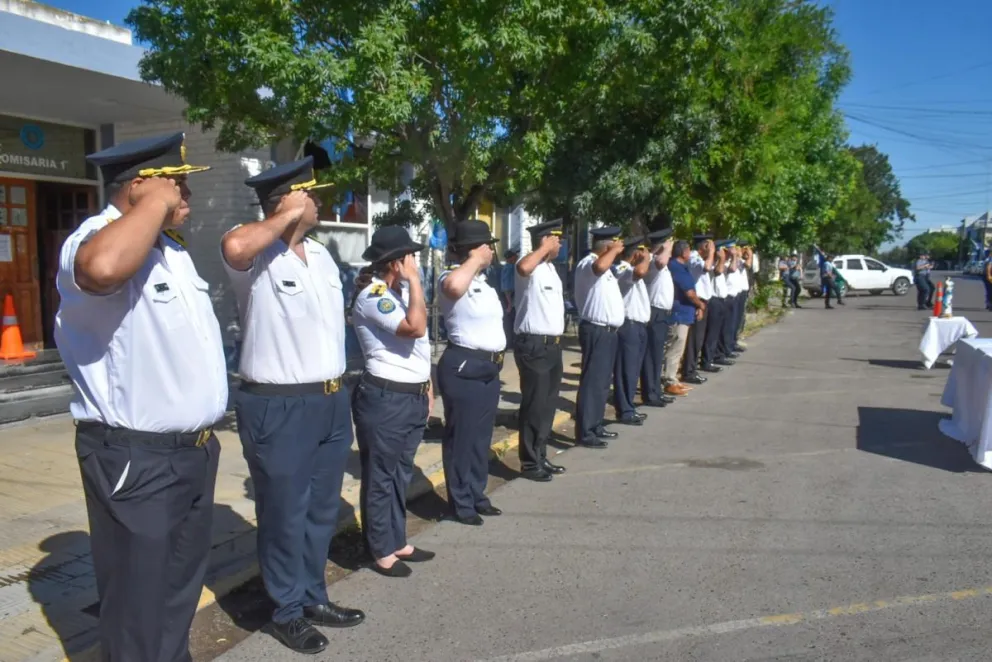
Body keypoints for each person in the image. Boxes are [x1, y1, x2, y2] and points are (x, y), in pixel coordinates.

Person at [55, 132, 226, 661]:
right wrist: (154, 199)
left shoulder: (171, 254)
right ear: (143, 188)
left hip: (191, 454)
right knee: (136, 611)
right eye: (179, 187)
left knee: (175, 599)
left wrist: (155, 202)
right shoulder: (95, 238)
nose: (186, 200)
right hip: (137, 459)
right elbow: (100, 270)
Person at [222, 157, 364, 654]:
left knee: (320, 511)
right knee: (283, 513)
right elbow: (236, 246)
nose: (319, 201)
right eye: (310, 194)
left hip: (328, 400)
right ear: (285, 201)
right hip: (277, 406)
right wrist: (284, 217)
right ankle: (284, 611)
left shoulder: (322, 257)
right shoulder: (253, 252)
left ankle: (312, 595)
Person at [350, 226, 435, 578]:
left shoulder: (398, 293)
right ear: (396, 263)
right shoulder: (375, 296)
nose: (415, 262)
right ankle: (381, 548)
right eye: (410, 258)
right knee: (382, 475)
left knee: (401, 473)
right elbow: (413, 328)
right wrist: (415, 281)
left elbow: (419, 347)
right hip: (386, 398)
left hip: (410, 395)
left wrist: (427, 387)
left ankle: (396, 539)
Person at [436, 220, 506, 526]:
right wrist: (475, 259)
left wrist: (478, 263)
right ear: (473, 249)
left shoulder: (482, 282)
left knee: (480, 438)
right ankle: (461, 501)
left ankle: (477, 492)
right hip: (463, 366)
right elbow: (453, 287)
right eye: (486, 245)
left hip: (489, 367)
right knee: (462, 438)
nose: (491, 250)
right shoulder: (449, 277)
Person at [513, 219, 567, 482]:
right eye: (557, 239)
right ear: (547, 240)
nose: (561, 244)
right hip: (534, 345)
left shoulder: (550, 269)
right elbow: (523, 267)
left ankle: (540, 455)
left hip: (552, 345)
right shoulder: (529, 265)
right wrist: (543, 248)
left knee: (547, 406)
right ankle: (530, 463)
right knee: (534, 406)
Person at [574, 227, 626, 447]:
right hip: (596, 329)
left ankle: (595, 424)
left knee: (603, 382)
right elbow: (599, 266)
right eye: (614, 246)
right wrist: (613, 251)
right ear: (607, 247)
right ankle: (585, 431)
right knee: (592, 382)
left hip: (608, 331)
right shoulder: (589, 263)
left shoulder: (606, 268)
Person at [612, 236, 651, 426]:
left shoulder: (628, 270)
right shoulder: (623, 270)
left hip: (638, 325)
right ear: (635, 254)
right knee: (626, 370)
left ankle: (629, 407)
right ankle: (625, 410)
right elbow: (641, 271)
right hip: (629, 325)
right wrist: (647, 259)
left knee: (633, 369)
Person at [663, 240, 706, 397]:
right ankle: (669, 380)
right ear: (683, 252)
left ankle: (673, 378)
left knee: (678, 347)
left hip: (684, 313)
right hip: (678, 314)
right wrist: (700, 305)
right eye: (688, 250)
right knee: (675, 346)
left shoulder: (681, 266)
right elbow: (689, 293)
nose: (690, 253)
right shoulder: (676, 267)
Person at [641, 229, 677, 408]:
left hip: (661, 313)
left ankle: (655, 391)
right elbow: (662, 260)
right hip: (655, 312)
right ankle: (651, 394)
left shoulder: (657, 263)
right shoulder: (656, 263)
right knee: (652, 356)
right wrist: (667, 247)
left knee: (657, 355)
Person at [681, 235, 715, 386]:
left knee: (698, 338)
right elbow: (707, 268)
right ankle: (688, 371)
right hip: (697, 301)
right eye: (709, 246)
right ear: (704, 247)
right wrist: (712, 252)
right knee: (694, 339)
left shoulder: (698, 259)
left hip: (703, 301)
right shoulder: (694, 258)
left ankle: (692, 369)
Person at [701, 243, 732, 371]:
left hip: (721, 299)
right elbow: (718, 271)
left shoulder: (719, 261)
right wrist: (722, 258)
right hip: (713, 300)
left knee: (717, 332)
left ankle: (714, 356)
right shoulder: (712, 263)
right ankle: (707, 361)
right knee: (711, 333)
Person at [815, 245, 844, 309]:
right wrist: (831, 276)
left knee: (828, 291)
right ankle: (839, 300)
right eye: (831, 258)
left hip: (825, 277)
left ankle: (827, 304)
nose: (832, 259)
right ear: (828, 258)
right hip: (827, 277)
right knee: (836, 287)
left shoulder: (829, 263)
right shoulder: (827, 263)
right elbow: (827, 272)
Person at [501, 247, 519, 345]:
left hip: (511, 296)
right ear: (510, 258)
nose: (517, 256)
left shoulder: (511, 267)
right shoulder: (510, 268)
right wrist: (509, 303)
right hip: (510, 297)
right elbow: (506, 287)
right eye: (515, 255)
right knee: (510, 322)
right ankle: (510, 342)